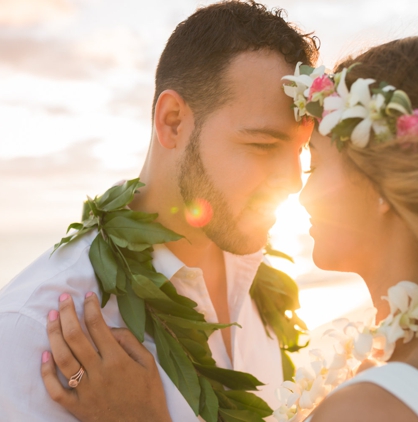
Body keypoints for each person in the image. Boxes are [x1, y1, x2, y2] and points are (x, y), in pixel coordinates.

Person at [44, 34, 418, 421]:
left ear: (386, 180)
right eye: (263, 147)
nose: (297, 189)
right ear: (170, 121)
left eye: (315, 162)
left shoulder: (371, 409)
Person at [0, 1, 317, 421]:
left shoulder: (261, 283)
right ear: (171, 122)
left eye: (300, 152)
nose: (294, 181)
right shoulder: (35, 330)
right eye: (262, 146)